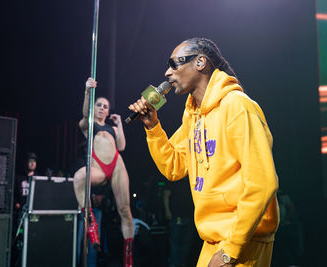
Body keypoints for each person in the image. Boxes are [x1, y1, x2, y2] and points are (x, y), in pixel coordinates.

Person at [128, 37, 279, 267]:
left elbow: (263, 182)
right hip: (213, 240)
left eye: (174, 64)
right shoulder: (194, 115)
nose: (167, 73)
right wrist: (152, 126)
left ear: (200, 62)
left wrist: (230, 250)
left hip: (243, 239)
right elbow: (174, 167)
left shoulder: (237, 106)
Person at [73, 78, 134, 267]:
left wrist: (119, 125)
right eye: (98, 105)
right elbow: (85, 115)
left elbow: (122, 146)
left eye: (104, 106)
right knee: (78, 177)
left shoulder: (112, 128)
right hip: (98, 168)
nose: (101, 108)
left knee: (125, 210)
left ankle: (128, 256)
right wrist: (87, 92)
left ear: (108, 111)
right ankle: (91, 223)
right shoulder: (90, 126)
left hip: (116, 165)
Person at [163, 178, 195, 267]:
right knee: (175, 243)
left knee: (186, 244)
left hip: (190, 216)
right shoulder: (174, 178)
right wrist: (167, 211)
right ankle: (174, 264)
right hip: (177, 216)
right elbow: (166, 195)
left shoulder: (192, 178)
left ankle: (182, 264)